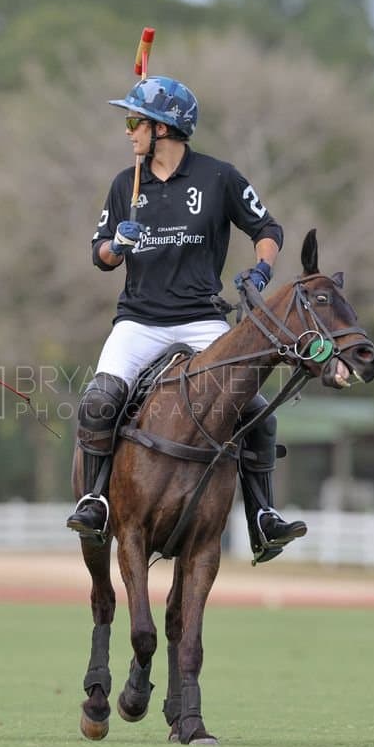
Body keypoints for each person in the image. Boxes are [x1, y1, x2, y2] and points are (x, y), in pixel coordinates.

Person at [65, 77, 307, 565]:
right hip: (139, 321)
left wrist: (261, 269)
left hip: (201, 320)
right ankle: (95, 500)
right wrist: (119, 244)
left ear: (165, 128)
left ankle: (263, 516)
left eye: (136, 121)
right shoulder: (124, 184)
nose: (129, 130)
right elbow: (100, 257)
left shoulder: (219, 177)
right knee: (99, 400)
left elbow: (267, 228)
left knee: (258, 412)